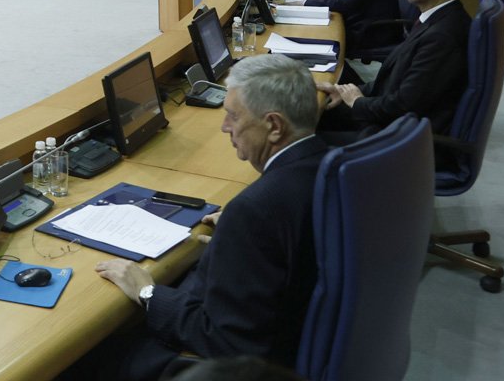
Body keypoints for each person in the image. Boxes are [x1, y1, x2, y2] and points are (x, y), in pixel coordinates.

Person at [78, 54, 327, 380]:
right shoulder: (330, 163)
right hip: (297, 332)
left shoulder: (256, 209)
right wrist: (240, 243)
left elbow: (226, 341)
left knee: (89, 357)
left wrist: (148, 293)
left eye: (234, 117)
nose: (225, 127)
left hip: (254, 363)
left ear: (274, 125)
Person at [317, 0, 470, 137]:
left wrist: (357, 102)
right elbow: (391, 83)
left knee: (299, 125)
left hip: (400, 139)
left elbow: (404, 106)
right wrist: (344, 90)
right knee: (307, 108)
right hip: (388, 117)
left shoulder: (443, 36)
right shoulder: (432, 18)